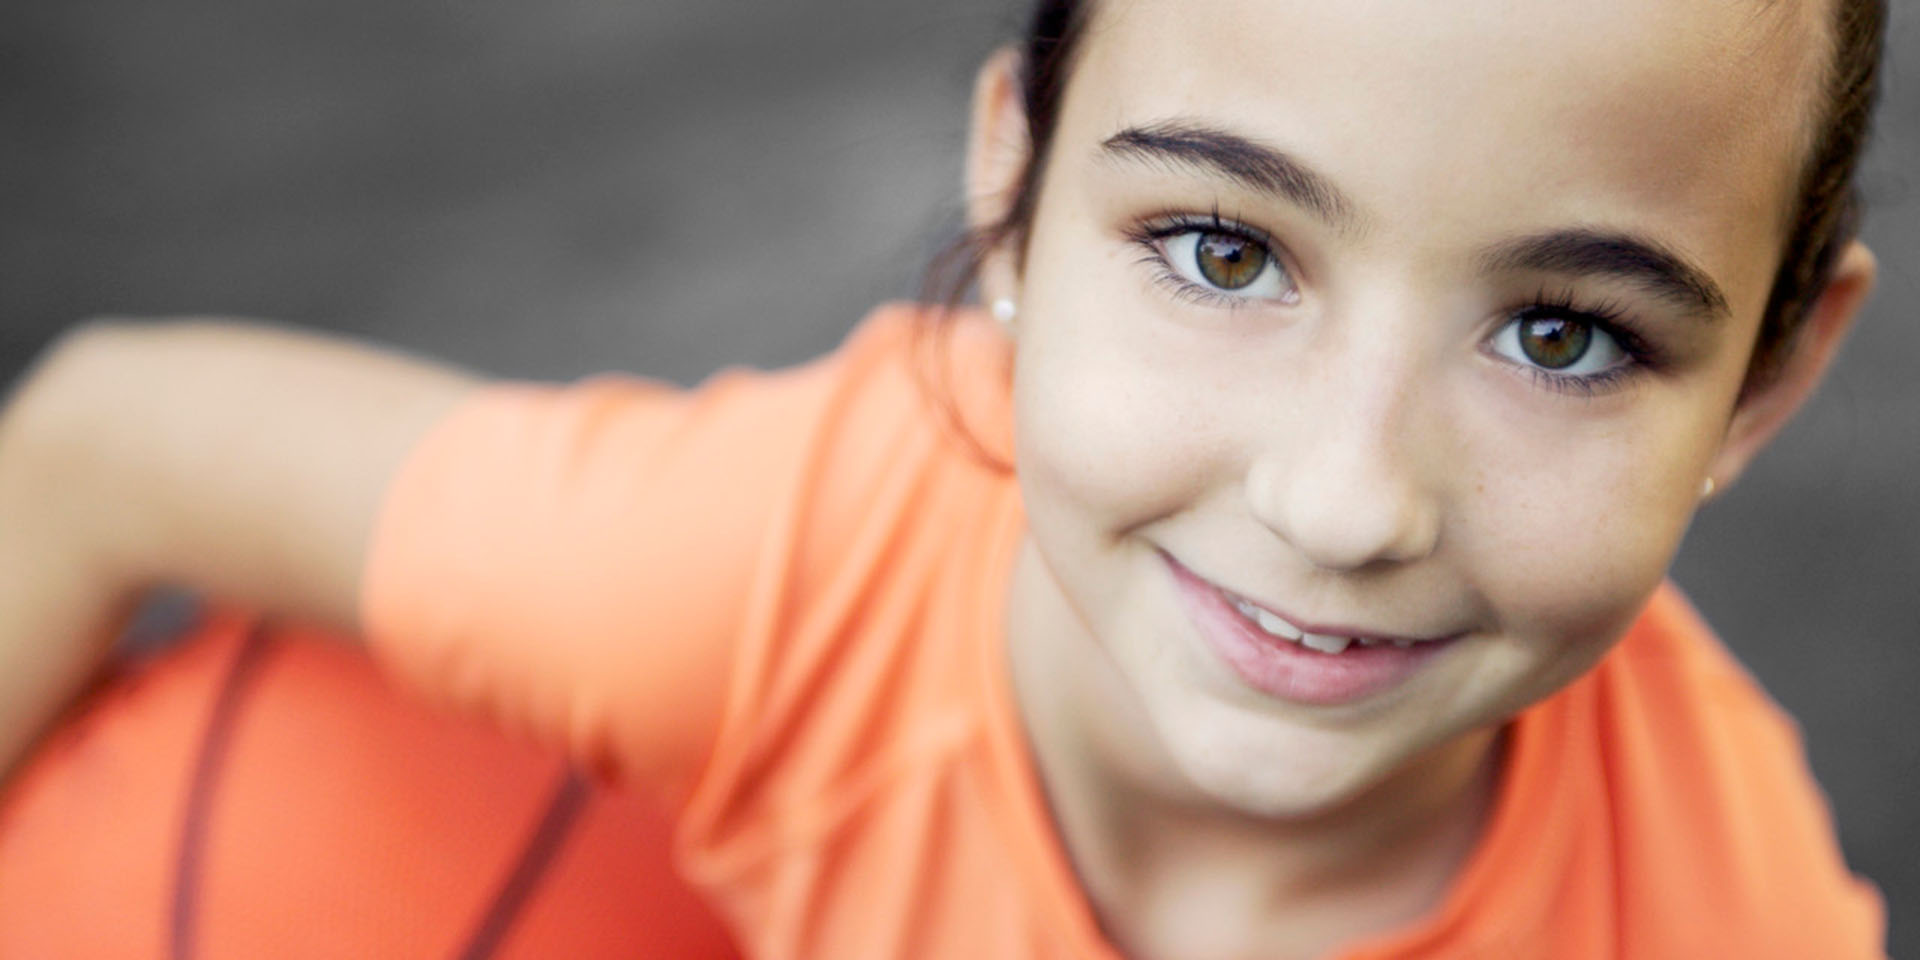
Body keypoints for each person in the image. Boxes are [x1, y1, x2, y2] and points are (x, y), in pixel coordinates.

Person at [0, 0, 1892, 956]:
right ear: (1015, 189)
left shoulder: (1723, 915)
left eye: (1565, 335)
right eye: (1224, 252)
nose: (1343, 502)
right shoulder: (763, 578)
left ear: (1764, 383)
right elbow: (100, 444)